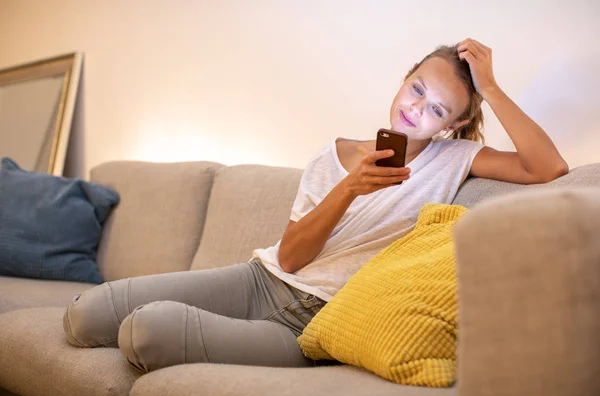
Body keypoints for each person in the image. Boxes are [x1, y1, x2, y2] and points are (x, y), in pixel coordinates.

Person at [62, 38, 568, 373]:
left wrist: (492, 89)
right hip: (259, 280)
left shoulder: (456, 158)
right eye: (416, 89)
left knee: (146, 330)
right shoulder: (333, 157)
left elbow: (547, 168)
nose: (415, 109)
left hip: (312, 321)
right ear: (403, 78)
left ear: (452, 125)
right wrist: (349, 187)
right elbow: (289, 258)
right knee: (87, 316)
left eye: (437, 108)